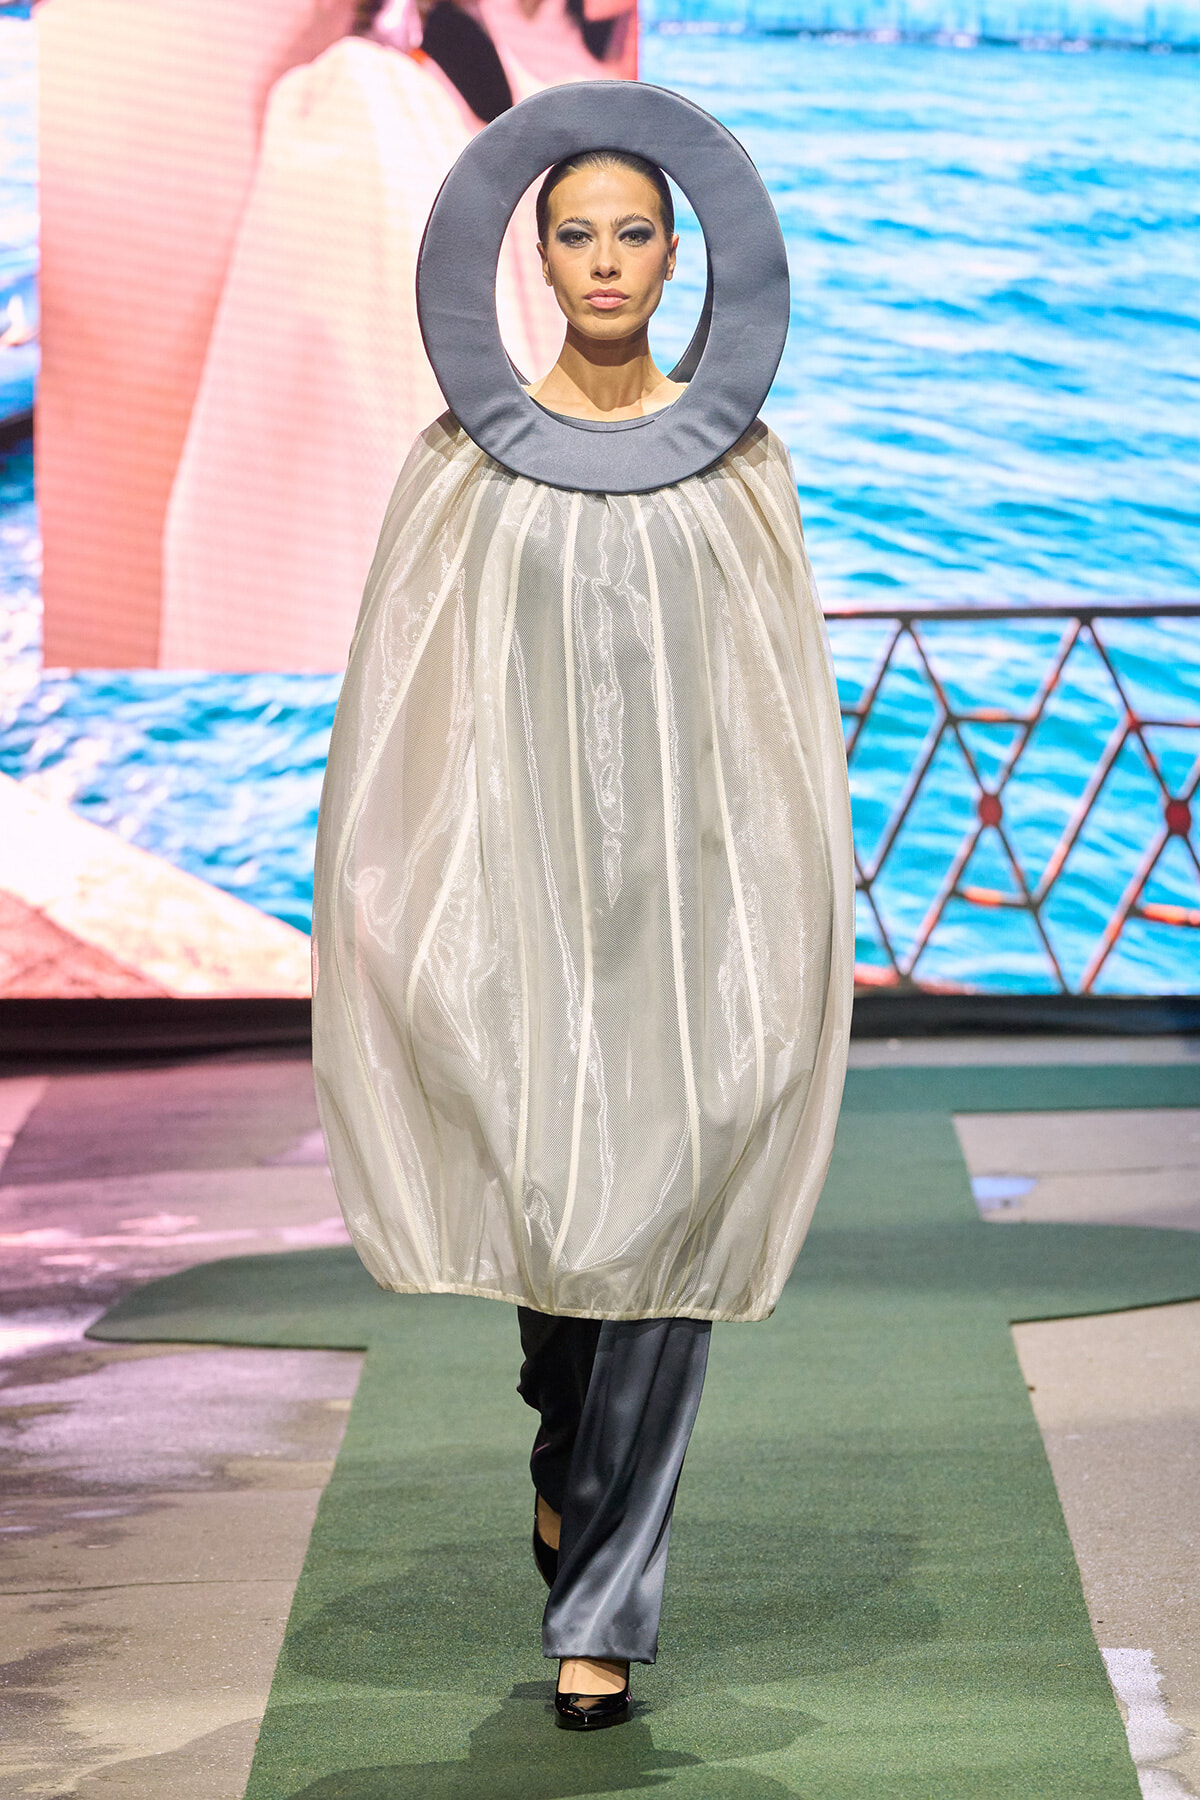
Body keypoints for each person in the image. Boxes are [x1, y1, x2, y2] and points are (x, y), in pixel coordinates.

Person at [312, 142, 853, 1729]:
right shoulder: (463, 461)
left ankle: (602, 1611)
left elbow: (779, 708)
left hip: (690, 914)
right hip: (522, 904)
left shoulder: (738, 461)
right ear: (534, 257)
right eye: (575, 235)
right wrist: (398, 892)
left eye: (632, 234)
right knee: (563, 1237)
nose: (605, 261)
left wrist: (790, 901)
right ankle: (564, 1453)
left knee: (663, 1231)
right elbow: (406, 700)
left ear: (680, 258)